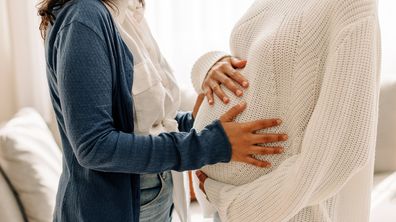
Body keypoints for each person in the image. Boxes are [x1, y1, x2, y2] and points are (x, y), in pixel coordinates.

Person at [38, 0, 288, 221]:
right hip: (114, 208)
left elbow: (143, 123)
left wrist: (198, 121)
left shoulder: (127, 11)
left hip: (154, 195)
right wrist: (210, 145)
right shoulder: (84, 17)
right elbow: (94, 147)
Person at [193, 0, 381, 221]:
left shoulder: (352, 5)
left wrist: (237, 205)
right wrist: (210, 65)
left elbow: (344, 149)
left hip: (276, 212)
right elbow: (254, 57)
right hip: (228, 206)